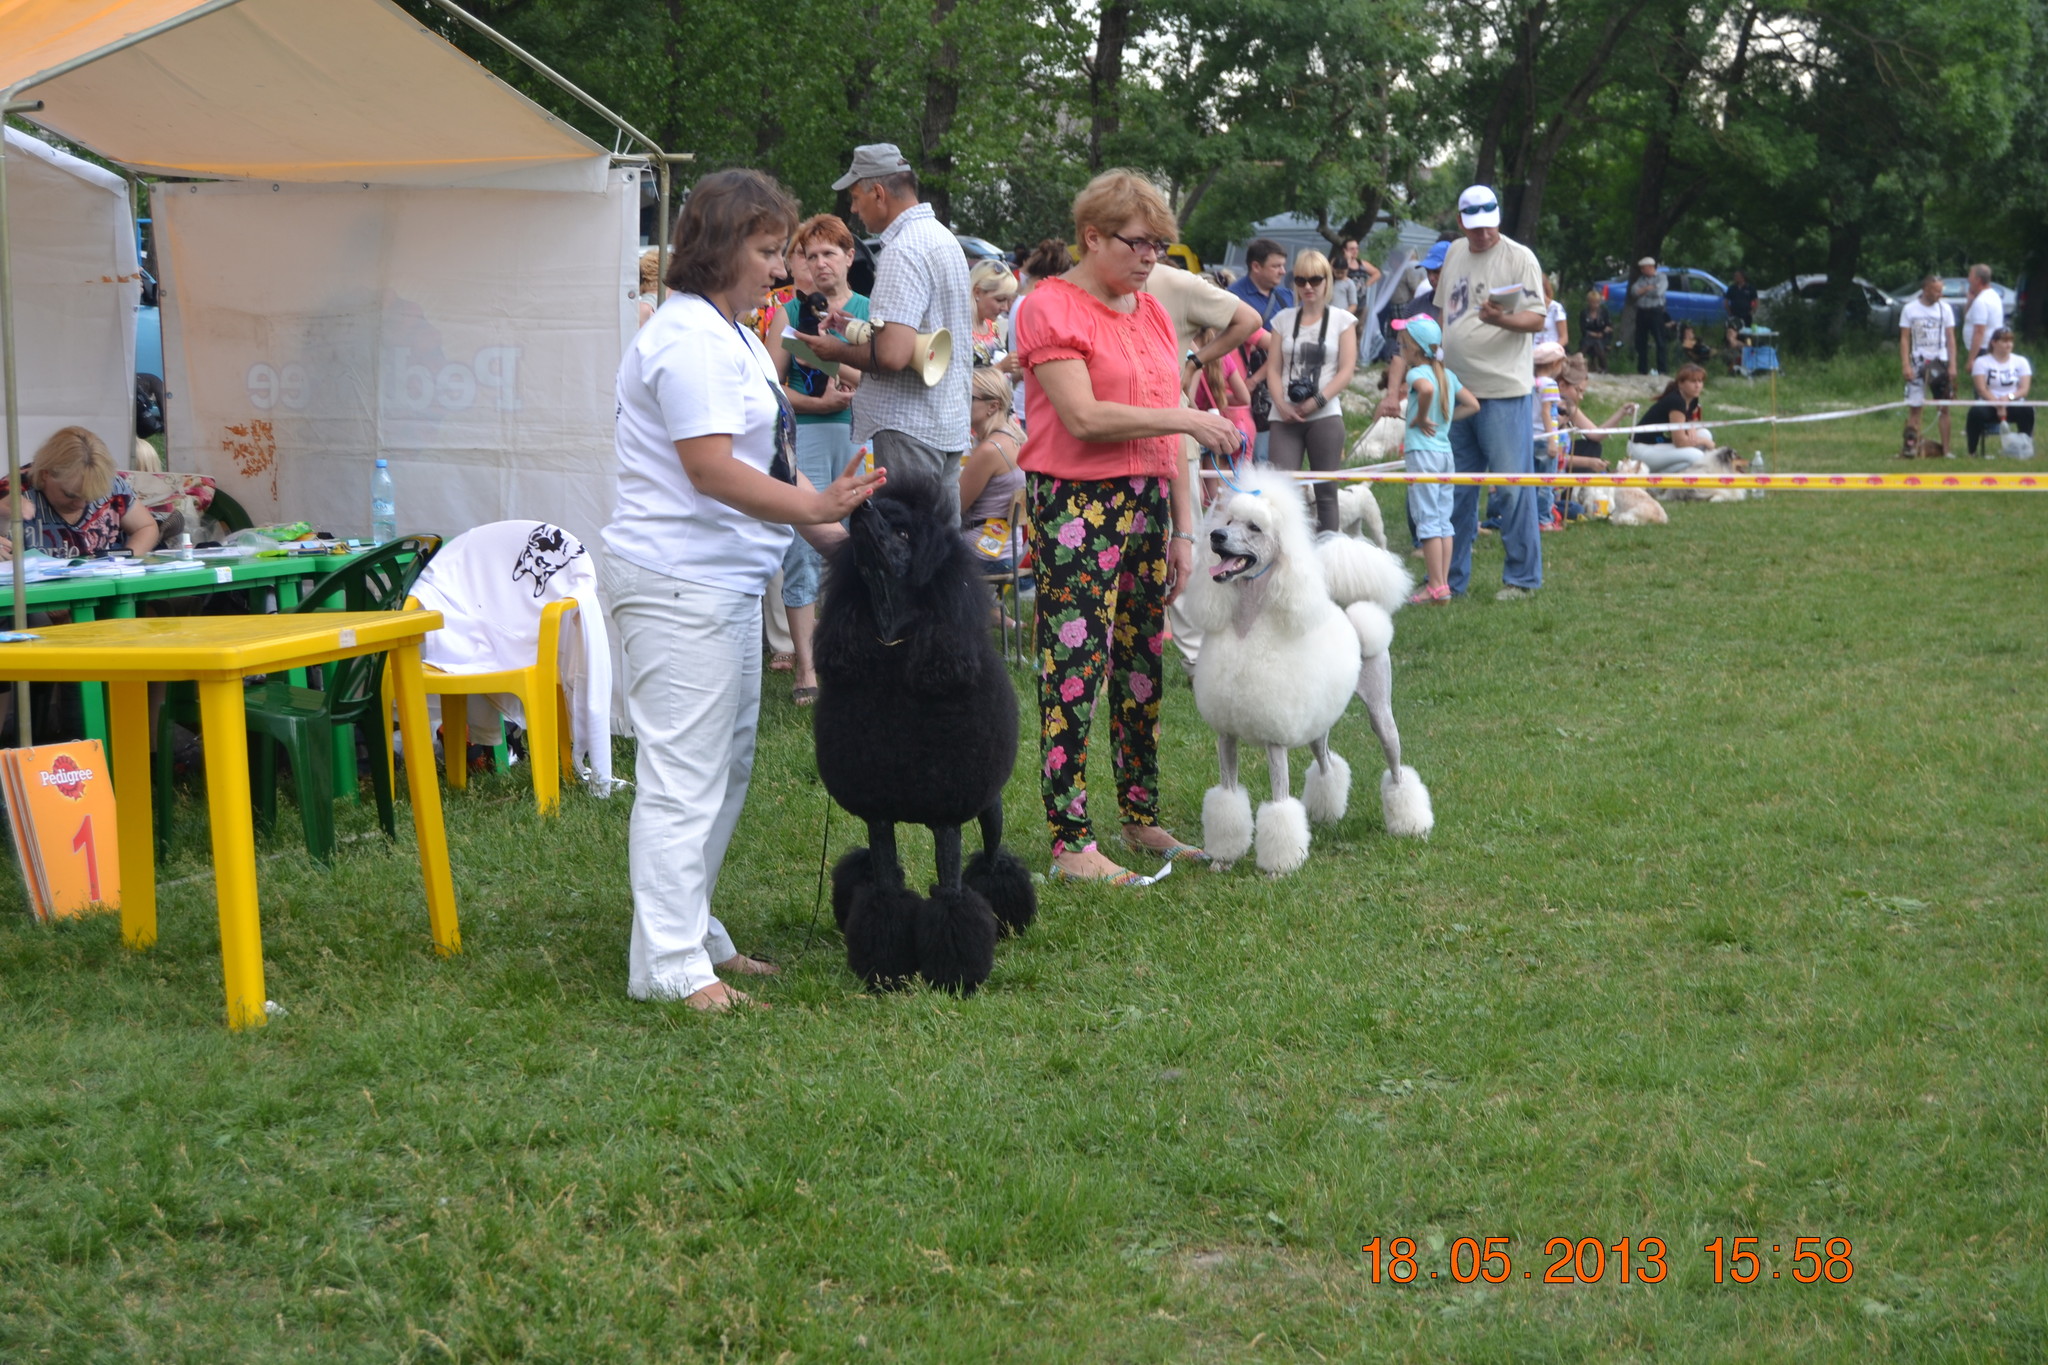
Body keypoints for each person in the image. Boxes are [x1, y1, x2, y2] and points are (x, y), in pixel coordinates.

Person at [604, 169, 884, 1012]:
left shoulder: (729, 330)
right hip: (677, 582)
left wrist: (839, 539)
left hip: (721, 579)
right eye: (768, 251)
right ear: (722, 248)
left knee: (723, 770)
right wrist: (815, 504)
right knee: (684, 776)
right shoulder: (686, 338)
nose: (781, 269)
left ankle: (693, 933)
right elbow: (709, 468)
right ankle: (667, 967)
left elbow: (769, 460)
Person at [1013, 169, 1242, 883]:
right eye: (1139, 243)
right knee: (1075, 668)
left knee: (1143, 663)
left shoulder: (1145, 310)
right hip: (1076, 505)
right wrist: (1185, 416)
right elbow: (1083, 417)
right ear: (1093, 237)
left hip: (1146, 503)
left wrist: (1182, 528)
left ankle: (1140, 815)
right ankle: (1070, 838)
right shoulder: (1046, 308)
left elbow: (1167, 429)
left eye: (1160, 247)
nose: (1151, 259)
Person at [802, 144, 974, 505]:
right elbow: (917, 331)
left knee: (905, 547)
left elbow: (893, 353)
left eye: (855, 196)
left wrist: (836, 350)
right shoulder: (943, 238)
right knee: (938, 551)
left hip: (907, 425)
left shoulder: (902, 250)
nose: (853, 207)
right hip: (945, 421)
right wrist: (853, 326)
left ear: (877, 193)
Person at [771, 213, 869, 705]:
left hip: (859, 438)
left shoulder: (870, 310)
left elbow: (885, 377)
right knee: (802, 549)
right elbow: (771, 387)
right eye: (811, 255)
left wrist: (845, 368)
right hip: (807, 436)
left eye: (829, 252)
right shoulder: (789, 312)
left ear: (849, 256)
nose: (819, 263)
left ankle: (851, 657)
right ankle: (806, 668)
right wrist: (818, 403)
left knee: (858, 545)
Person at [1438, 184, 1547, 602]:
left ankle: (1521, 579)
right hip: (1456, 388)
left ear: (1498, 218)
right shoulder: (1453, 253)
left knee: (1513, 487)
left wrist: (1501, 320)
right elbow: (1443, 310)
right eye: (1474, 227)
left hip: (1504, 390)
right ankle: (1449, 579)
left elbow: (1536, 319)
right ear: (1462, 223)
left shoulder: (1520, 258)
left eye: (1488, 226)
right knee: (1457, 488)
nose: (1482, 234)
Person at [1254, 249, 1358, 533]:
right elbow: (1273, 369)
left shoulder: (1342, 320)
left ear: (1327, 280)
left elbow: (1347, 369)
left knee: (1326, 493)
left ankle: (1328, 560)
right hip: (1284, 415)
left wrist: (1318, 401)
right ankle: (1286, 558)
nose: (1308, 287)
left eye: (1315, 279)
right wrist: (1282, 404)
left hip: (1325, 413)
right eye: (1300, 280)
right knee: (1282, 493)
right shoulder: (1283, 320)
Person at [1397, 317, 1477, 605]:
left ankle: (1435, 585)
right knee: (1444, 521)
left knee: (1427, 520)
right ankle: (1442, 585)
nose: (1400, 349)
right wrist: (1445, 420)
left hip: (1422, 452)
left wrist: (1419, 417)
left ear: (1413, 349)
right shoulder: (1447, 375)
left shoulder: (1416, 373)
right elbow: (1473, 404)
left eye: (1403, 344)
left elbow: (1426, 391)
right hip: (1445, 453)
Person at [0, 426, 159, 559]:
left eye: (92, 497)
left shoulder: (112, 485)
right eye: (70, 495)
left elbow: (146, 527)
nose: (81, 504)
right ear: (45, 474)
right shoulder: (11, 489)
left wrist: (125, 561)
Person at [1227, 237, 1294, 462]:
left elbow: (1291, 342)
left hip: (1280, 379)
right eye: (1276, 266)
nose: (1283, 271)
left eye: (1283, 265)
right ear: (1256, 266)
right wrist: (1254, 380)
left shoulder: (1286, 297)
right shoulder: (1233, 297)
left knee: (1278, 449)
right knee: (1250, 452)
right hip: (1243, 380)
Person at [961, 364, 1026, 568]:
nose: (960, 401)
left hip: (983, 555)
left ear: (993, 406)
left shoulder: (990, 449)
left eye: (968, 397)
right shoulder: (1014, 437)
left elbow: (955, 506)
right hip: (1008, 549)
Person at [1898, 274, 1958, 457]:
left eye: (1941, 290)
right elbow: (1905, 338)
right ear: (1925, 289)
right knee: (1915, 407)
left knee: (1944, 408)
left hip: (1940, 362)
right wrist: (1906, 364)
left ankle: (1946, 450)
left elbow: (1950, 338)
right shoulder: (1909, 309)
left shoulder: (1945, 309)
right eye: (1935, 290)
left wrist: (1953, 365)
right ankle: (1911, 448)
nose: (1939, 294)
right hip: (1918, 362)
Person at [1626, 364, 1715, 472]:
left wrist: (1691, 426)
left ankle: (1660, 478)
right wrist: (1704, 442)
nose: (1698, 385)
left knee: (1704, 433)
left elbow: (1692, 418)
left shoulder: (1692, 398)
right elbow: (1680, 442)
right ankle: (1656, 484)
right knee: (1697, 456)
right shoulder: (1676, 401)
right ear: (1681, 384)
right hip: (1642, 447)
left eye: (1700, 381)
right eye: (1693, 381)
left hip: (1662, 444)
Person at [1967, 327, 2033, 456]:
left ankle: (2025, 447)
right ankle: (1972, 451)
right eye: (2004, 341)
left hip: (2013, 402)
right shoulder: (1981, 362)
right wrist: (1998, 404)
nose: (2008, 344)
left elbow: (2024, 389)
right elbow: (1981, 389)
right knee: (1975, 413)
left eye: (2010, 341)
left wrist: (2009, 398)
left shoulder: (2021, 361)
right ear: (1994, 343)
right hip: (1989, 403)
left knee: (2028, 410)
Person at [1554, 355, 1626, 471]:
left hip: (1560, 455)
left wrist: (1621, 412)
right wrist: (1588, 462)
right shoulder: (1550, 408)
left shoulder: (1570, 407)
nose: (1581, 397)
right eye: (1578, 391)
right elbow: (1553, 455)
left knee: (1593, 447)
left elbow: (1596, 435)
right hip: (1549, 460)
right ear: (1561, 385)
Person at [969, 258, 1019, 364]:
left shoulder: (993, 327)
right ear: (977, 292)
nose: (1005, 307)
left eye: (1008, 300)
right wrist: (1000, 368)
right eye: (1000, 300)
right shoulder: (960, 331)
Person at [1629, 257, 1669, 375]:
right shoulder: (1641, 279)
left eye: (1643, 268)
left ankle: (1662, 369)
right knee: (1641, 341)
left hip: (1655, 311)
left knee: (1660, 340)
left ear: (1651, 267)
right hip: (1642, 311)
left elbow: (1658, 292)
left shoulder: (1661, 277)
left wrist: (1643, 291)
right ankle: (1642, 369)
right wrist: (1648, 288)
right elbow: (1634, 292)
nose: (1642, 270)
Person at [1963, 264, 2005, 362]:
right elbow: (1967, 317)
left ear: (1978, 280)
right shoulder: (1992, 295)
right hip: (1989, 347)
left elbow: (1979, 331)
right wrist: (1970, 301)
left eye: (1970, 276)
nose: (1968, 279)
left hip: (1982, 350)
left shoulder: (1982, 301)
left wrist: (1971, 359)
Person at [1578, 288, 1613, 373]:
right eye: (1593, 302)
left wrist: (1603, 333)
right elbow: (1583, 328)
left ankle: (1603, 367)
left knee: (1598, 343)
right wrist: (1593, 334)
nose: (1595, 305)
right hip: (1588, 336)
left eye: (1597, 302)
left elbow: (1609, 327)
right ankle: (1578, 364)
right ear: (1589, 302)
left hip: (1602, 337)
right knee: (1587, 344)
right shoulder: (1584, 313)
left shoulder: (1604, 312)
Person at [1535, 274, 1569, 350]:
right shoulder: (1529, 308)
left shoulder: (1556, 308)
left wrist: (1552, 350)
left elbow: (1564, 338)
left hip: (1551, 352)